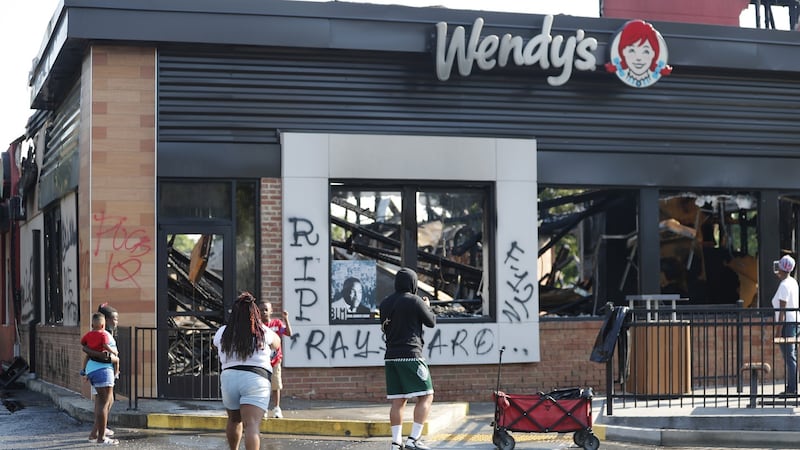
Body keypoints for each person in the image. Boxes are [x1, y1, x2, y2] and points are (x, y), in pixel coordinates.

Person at [213, 292, 281, 450]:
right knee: (251, 425)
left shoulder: (223, 332)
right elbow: (277, 343)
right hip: (256, 378)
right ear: (254, 313)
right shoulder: (262, 331)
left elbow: (215, 344)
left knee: (234, 420)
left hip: (229, 378)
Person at [378, 268, 436, 450]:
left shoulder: (385, 303)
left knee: (398, 401)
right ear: (413, 283)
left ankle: (396, 443)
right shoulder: (415, 301)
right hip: (411, 355)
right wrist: (426, 306)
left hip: (391, 358)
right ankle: (413, 439)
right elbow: (431, 322)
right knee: (427, 395)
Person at [82, 303, 120, 445]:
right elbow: (104, 356)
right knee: (104, 403)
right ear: (106, 321)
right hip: (103, 370)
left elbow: (87, 350)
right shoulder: (105, 336)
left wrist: (85, 371)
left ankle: (95, 432)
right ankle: (101, 437)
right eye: (115, 319)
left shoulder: (93, 335)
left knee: (104, 402)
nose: (117, 322)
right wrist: (115, 359)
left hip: (93, 370)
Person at [259, 300, 293, 418]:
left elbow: (289, 333)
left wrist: (286, 319)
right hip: (262, 361)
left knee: (276, 384)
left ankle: (277, 408)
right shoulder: (258, 326)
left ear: (271, 311)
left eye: (266, 310)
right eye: (261, 310)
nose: (264, 312)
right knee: (263, 385)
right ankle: (263, 408)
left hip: (275, 360)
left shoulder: (276, 324)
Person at [772, 254, 800, 396]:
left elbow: (782, 310)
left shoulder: (784, 285)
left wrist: (778, 330)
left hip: (787, 324)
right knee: (791, 356)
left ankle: (792, 389)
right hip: (794, 322)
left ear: (782, 269)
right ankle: (792, 387)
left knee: (789, 356)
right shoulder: (793, 282)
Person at [81, 312, 119, 379]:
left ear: (92, 325)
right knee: (117, 360)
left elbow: (82, 343)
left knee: (87, 357)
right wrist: (113, 352)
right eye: (115, 319)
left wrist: (90, 345)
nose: (116, 322)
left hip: (91, 356)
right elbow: (105, 345)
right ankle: (116, 374)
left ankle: (83, 369)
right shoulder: (104, 335)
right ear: (103, 326)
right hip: (103, 357)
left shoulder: (88, 334)